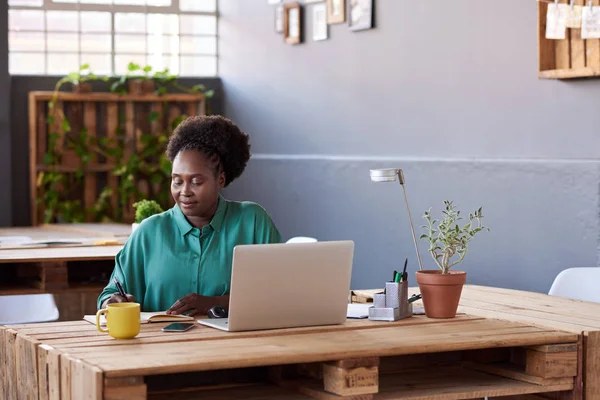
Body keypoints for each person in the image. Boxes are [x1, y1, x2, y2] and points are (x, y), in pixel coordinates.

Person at [97, 115, 282, 316]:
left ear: (220, 180)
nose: (184, 191)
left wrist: (214, 303)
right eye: (177, 181)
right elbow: (111, 293)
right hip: (160, 345)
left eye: (196, 182)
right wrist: (110, 301)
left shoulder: (252, 222)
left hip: (236, 344)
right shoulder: (149, 232)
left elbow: (278, 293)